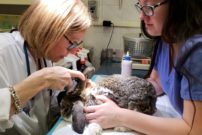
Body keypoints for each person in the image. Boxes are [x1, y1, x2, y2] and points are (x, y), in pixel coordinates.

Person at [85, 0, 202, 134]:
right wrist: (119, 93)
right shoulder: (166, 38)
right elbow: (157, 82)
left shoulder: (197, 51)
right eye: (140, 6)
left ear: (178, 6)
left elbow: (194, 130)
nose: (141, 16)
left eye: (149, 7)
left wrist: (119, 116)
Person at [0, 0, 91, 134]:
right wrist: (42, 80)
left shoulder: (43, 54)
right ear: (50, 30)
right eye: (72, 43)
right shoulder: (3, 50)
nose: (73, 51)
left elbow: (46, 108)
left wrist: (74, 93)